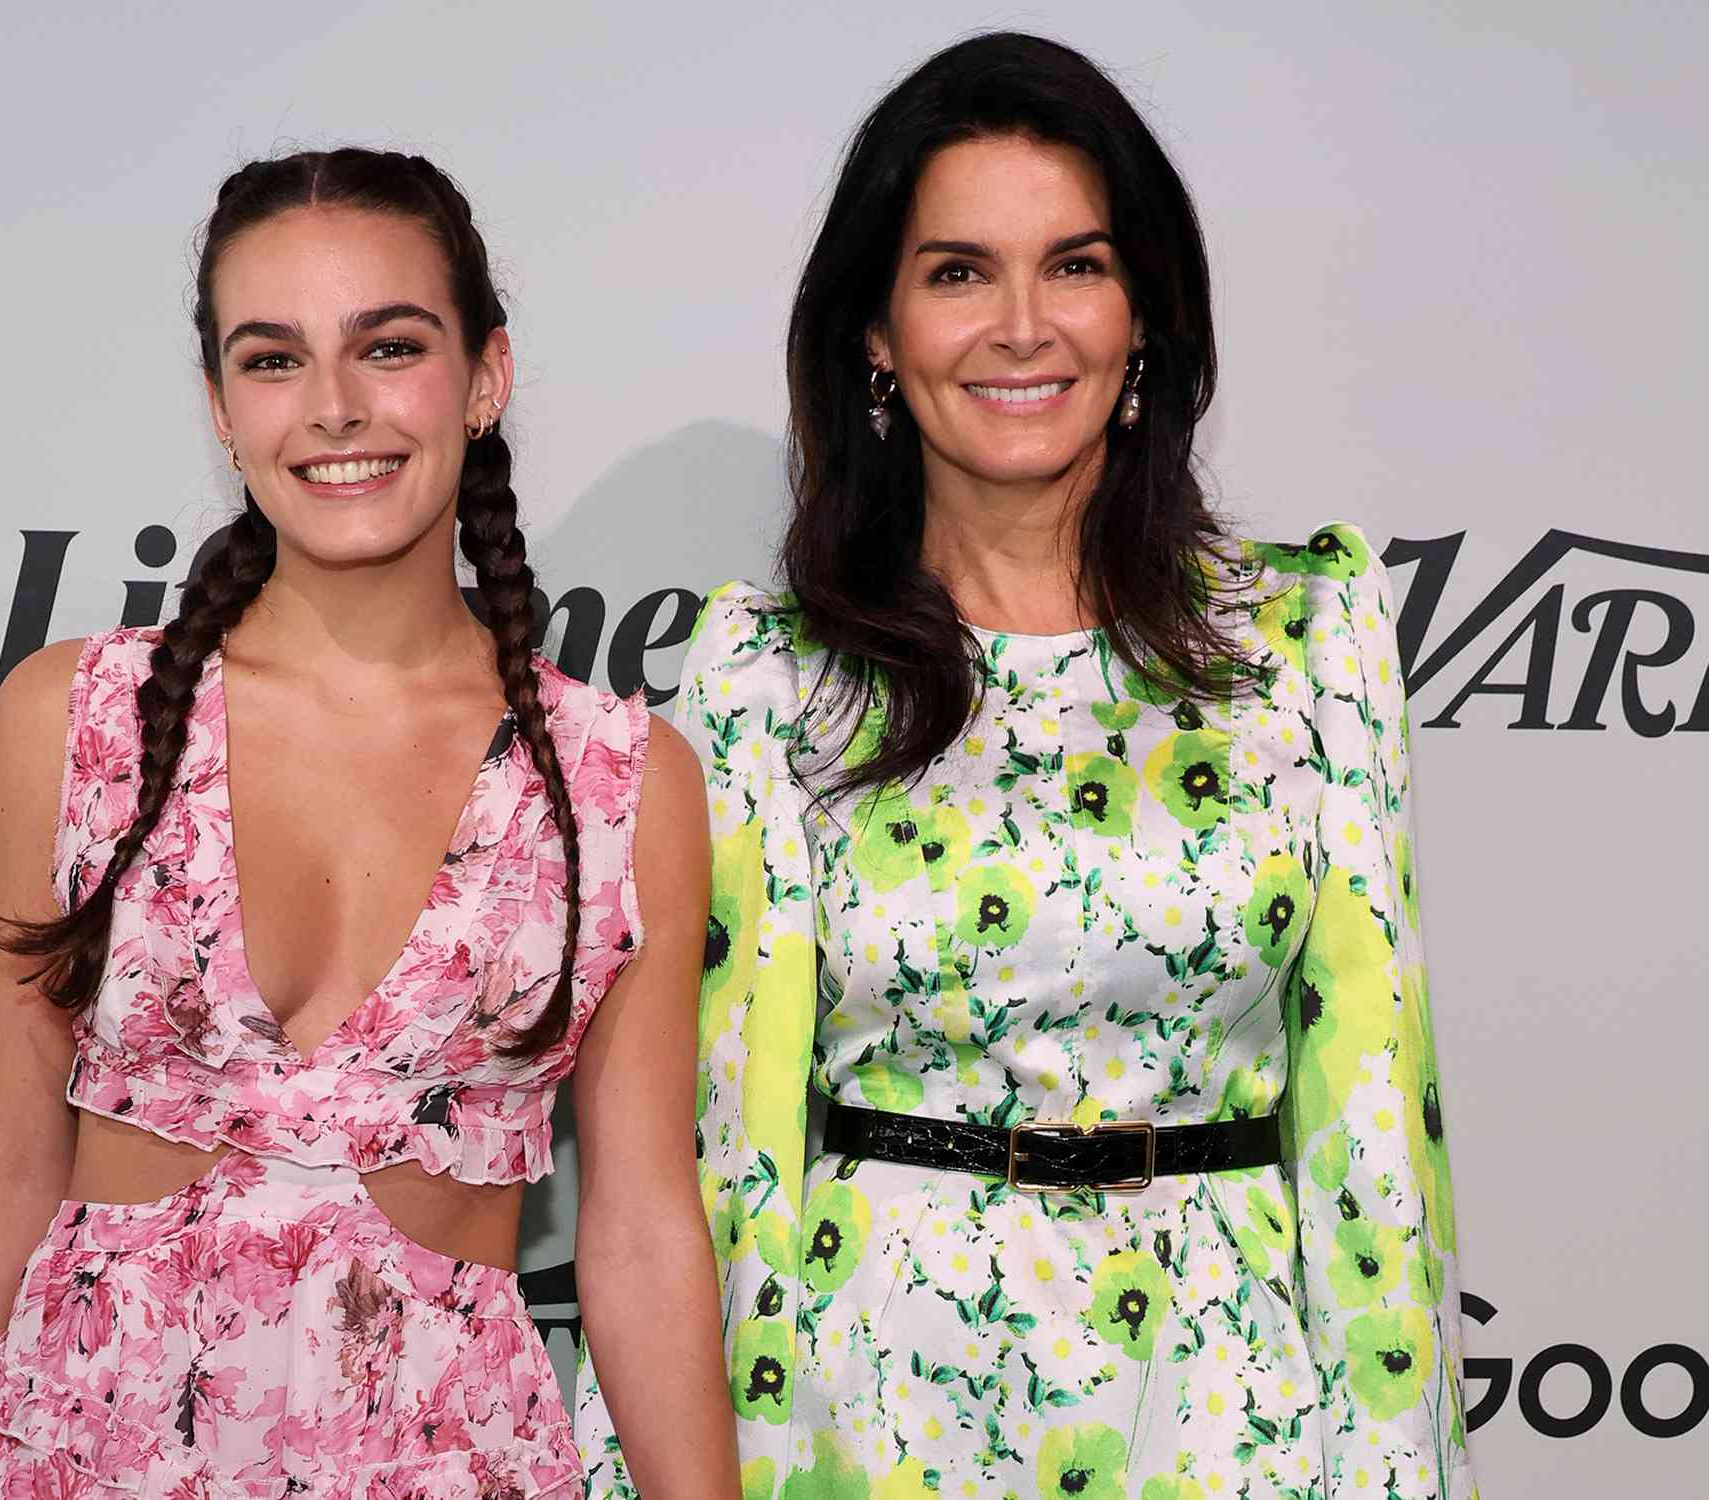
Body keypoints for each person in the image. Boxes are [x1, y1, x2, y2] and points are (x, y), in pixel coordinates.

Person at [581, 32, 1477, 1500]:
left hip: (1236, 1406)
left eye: (1075, 264)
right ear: (876, 331)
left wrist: (1396, 1465)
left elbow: (1375, 1120)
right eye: (956, 272)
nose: (1020, 327)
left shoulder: (1312, 636)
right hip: (874, 1402)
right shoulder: (770, 671)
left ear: (1146, 319)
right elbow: (726, 1145)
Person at [0, 148, 736, 1500]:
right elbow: (3, 1151)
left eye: (389, 346)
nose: (336, 409)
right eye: (274, 359)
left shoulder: (621, 781)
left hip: (450, 1464)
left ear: (484, 377)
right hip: (93, 1458)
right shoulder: (77, 721)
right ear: (221, 407)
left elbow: (639, 1231)